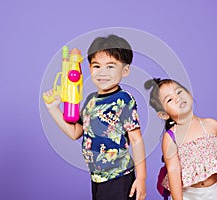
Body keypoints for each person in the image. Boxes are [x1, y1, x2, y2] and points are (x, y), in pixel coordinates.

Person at [43, 35, 146, 200]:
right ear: (89, 68)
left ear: (125, 71)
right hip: (97, 179)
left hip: (119, 178)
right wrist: (53, 108)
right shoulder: (91, 100)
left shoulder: (123, 100)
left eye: (110, 66)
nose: (102, 72)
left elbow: (136, 140)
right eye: (97, 66)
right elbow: (75, 132)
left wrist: (141, 178)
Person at [144, 78, 217, 200]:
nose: (177, 98)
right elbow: (173, 171)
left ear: (189, 94)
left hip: (215, 192)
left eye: (179, 92)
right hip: (188, 195)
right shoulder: (171, 137)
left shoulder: (211, 125)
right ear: (164, 114)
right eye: (169, 99)